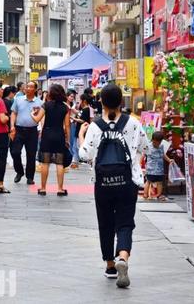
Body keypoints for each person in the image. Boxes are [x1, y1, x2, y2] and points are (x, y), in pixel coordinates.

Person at [78, 84, 149, 289]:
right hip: (127, 182)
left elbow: (84, 155)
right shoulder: (133, 123)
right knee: (125, 222)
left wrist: (82, 136)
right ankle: (123, 258)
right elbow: (144, 146)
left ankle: (110, 265)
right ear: (121, 102)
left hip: (103, 183)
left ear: (101, 102)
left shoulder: (95, 126)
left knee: (106, 222)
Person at [31, 84, 70, 196]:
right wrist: (68, 140)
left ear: (51, 94)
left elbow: (37, 119)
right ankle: (60, 189)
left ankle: (43, 188)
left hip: (47, 134)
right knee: (59, 163)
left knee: (45, 162)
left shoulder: (46, 105)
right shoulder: (65, 107)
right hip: (59, 135)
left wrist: (32, 115)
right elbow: (67, 126)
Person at [9, 81, 43, 185]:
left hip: (32, 131)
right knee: (15, 152)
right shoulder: (18, 100)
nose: (28, 88)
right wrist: (12, 126)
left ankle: (30, 177)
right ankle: (19, 171)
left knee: (31, 155)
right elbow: (13, 113)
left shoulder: (39, 103)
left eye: (31, 87)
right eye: (27, 86)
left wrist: (42, 129)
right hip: (19, 130)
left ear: (35, 89)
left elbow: (42, 117)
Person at [143, 131, 173, 201]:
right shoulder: (148, 146)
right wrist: (139, 163)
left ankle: (158, 195)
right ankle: (145, 194)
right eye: (155, 142)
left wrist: (169, 160)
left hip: (159, 169)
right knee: (148, 181)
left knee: (159, 182)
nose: (157, 144)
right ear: (152, 140)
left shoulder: (161, 146)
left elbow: (163, 155)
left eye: (159, 142)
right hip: (151, 169)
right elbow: (144, 154)